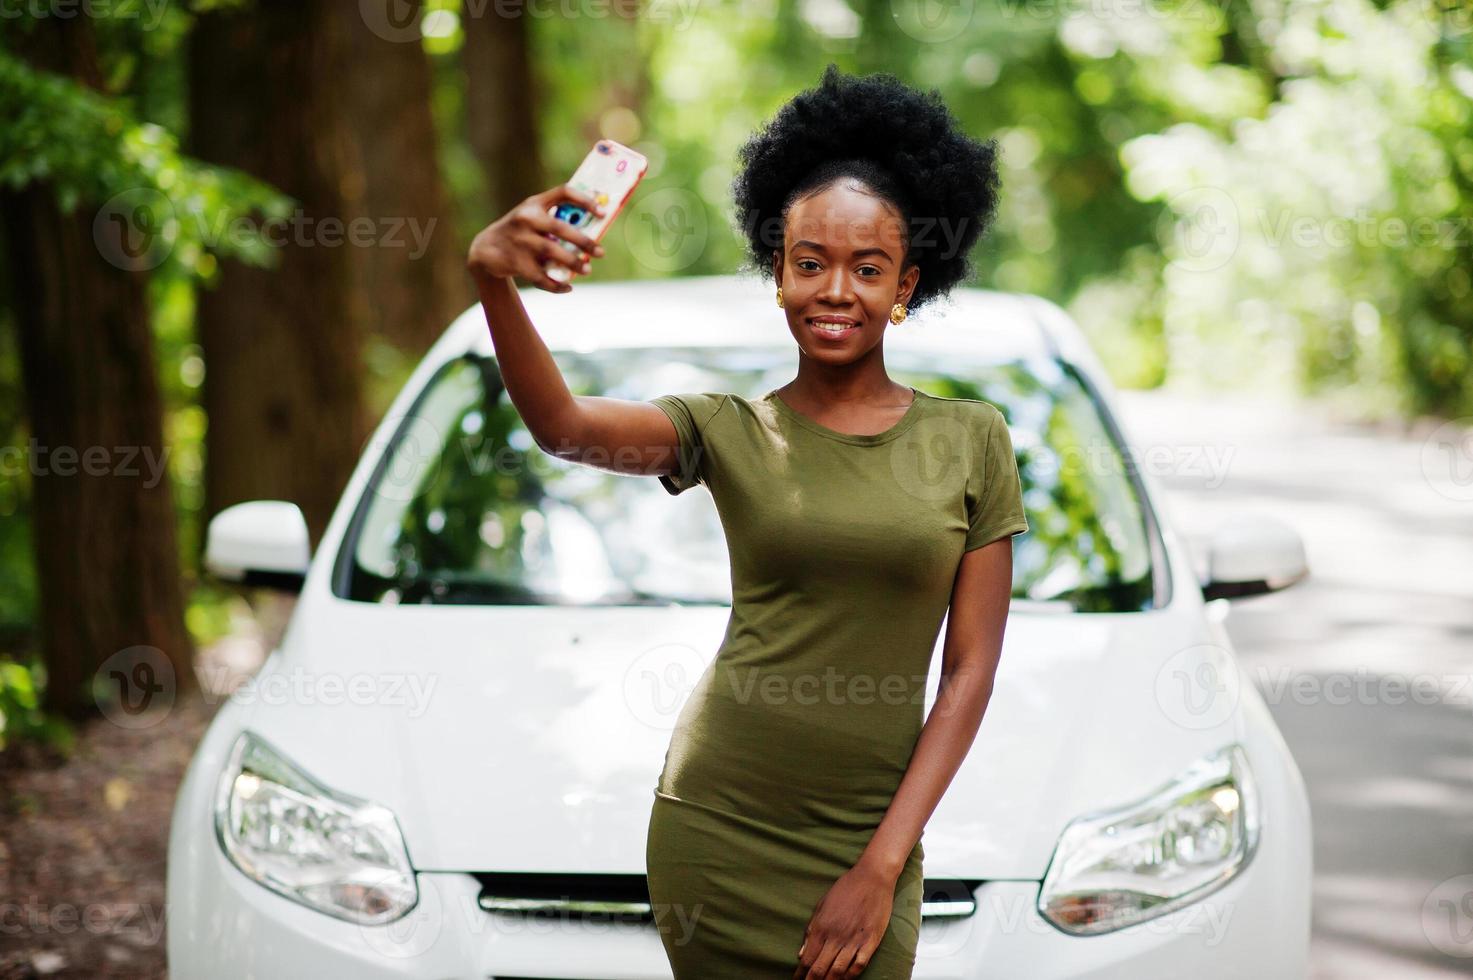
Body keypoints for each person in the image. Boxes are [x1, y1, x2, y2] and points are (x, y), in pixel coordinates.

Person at [465, 62, 1027, 980]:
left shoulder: (971, 440)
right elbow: (564, 428)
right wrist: (493, 281)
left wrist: (882, 867)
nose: (835, 289)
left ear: (908, 285)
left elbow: (968, 674)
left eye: (867, 267)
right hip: (717, 826)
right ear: (777, 273)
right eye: (809, 263)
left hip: (865, 840)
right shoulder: (726, 430)